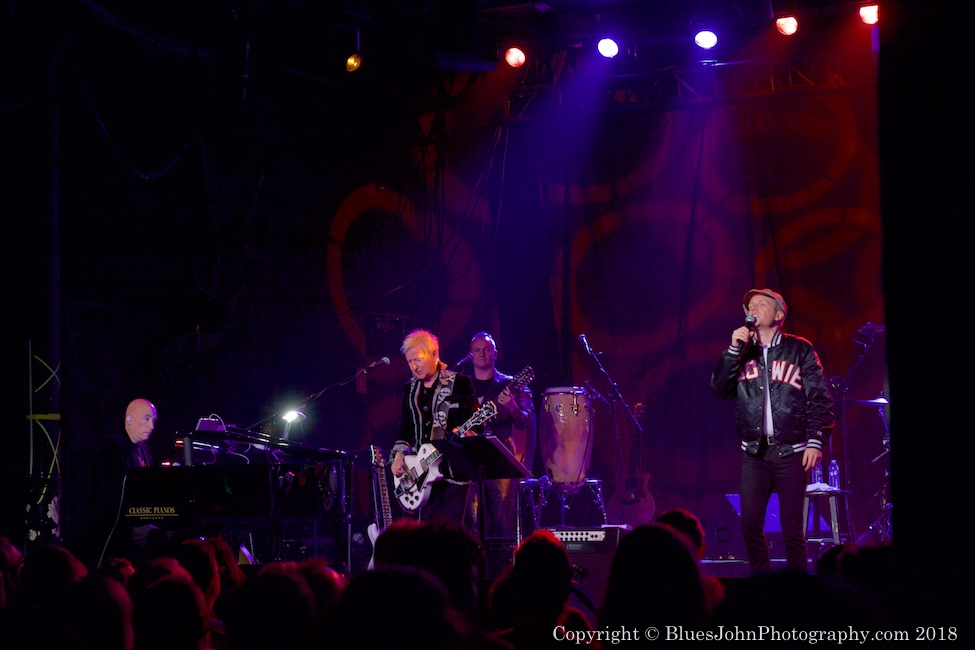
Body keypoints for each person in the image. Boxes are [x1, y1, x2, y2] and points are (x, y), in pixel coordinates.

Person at [711, 288, 834, 574]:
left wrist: (816, 440)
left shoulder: (799, 348)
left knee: (793, 528)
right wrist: (732, 352)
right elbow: (720, 389)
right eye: (750, 304)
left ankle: (795, 588)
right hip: (754, 452)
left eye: (761, 304)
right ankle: (764, 587)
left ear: (779, 315)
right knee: (750, 524)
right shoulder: (741, 352)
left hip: (791, 450)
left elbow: (819, 397)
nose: (753, 307)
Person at [391, 329, 480, 527]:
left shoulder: (459, 382)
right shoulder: (410, 388)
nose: (414, 366)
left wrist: (462, 433)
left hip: (453, 472)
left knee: (452, 533)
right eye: (409, 361)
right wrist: (398, 455)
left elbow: (476, 423)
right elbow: (405, 425)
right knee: (428, 536)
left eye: (418, 360)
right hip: (422, 472)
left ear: (434, 354)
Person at [464, 332, 534, 539]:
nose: (482, 354)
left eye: (487, 349)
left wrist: (512, 407)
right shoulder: (462, 386)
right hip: (471, 457)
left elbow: (524, 421)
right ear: (471, 354)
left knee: (502, 522)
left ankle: (502, 567)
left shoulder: (510, 384)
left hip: (500, 456)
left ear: (494, 353)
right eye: (477, 350)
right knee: (471, 523)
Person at [84, 398, 158, 566]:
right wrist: (134, 525)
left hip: (132, 531)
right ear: (129, 419)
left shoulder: (144, 450)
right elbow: (114, 494)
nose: (151, 426)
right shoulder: (112, 447)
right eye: (147, 418)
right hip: (109, 532)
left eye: (153, 420)